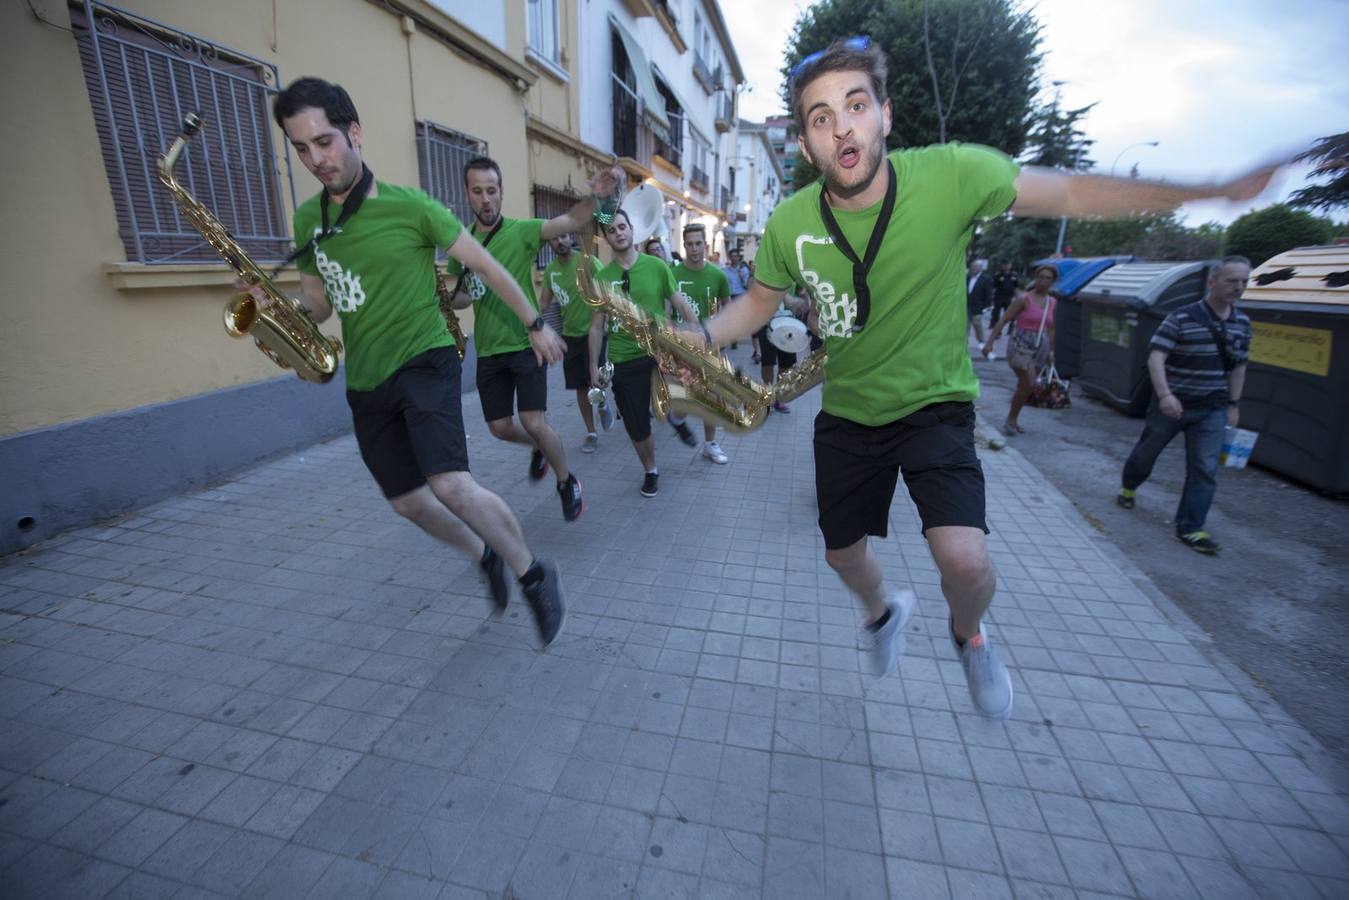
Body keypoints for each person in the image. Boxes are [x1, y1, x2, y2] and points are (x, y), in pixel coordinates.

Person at [691, 37, 1276, 720]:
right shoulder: (791, 222)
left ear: (884, 114)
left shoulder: (952, 174)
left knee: (964, 563)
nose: (840, 125)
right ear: (805, 142)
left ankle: (968, 634)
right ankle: (881, 616)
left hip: (936, 405)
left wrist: (1209, 188)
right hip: (848, 412)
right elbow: (757, 303)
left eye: (854, 105)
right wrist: (697, 337)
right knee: (842, 559)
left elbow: (1072, 188)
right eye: (819, 117)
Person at [268, 78, 569, 645]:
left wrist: (534, 324)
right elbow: (319, 301)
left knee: (451, 484)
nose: (316, 159)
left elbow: (486, 266)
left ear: (354, 132)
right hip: (366, 377)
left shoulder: (411, 208)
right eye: (301, 148)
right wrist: (275, 304)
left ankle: (532, 572)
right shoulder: (310, 220)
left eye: (325, 142)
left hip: (426, 360)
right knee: (407, 501)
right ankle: (484, 555)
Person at [445, 156, 622, 522]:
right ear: (467, 194)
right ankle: (539, 448)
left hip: (528, 344)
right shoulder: (460, 244)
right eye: (477, 191)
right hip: (490, 350)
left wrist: (599, 196)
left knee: (534, 422)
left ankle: (566, 480)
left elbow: (572, 221)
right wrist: (446, 297)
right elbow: (461, 296)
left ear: (501, 192)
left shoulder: (521, 231)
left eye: (492, 190)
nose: (486, 199)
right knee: (499, 428)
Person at [1117, 257, 1252, 554]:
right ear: (1212, 281)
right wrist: (1165, 395)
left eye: (1243, 281)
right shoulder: (1181, 317)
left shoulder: (1242, 323)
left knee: (1204, 468)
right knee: (1146, 454)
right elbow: (1156, 357)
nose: (1238, 287)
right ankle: (1129, 486)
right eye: (1232, 280)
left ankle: (1191, 528)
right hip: (1172, 404)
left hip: (1212, 408)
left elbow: (1239, 366)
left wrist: (1234, 404)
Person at [590, 210, 700, 497]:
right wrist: (594, 367)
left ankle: (676, 418)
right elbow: (596, 327)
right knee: (637, 424)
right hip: (623, 359)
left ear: (631, 229)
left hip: (660, 349)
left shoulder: (656, 266)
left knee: (680, 388)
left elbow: (680, 301)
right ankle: (651, 470)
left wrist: (699, 332)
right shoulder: (602, 278)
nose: (619, 233)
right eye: (611, 230)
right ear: (606, 237)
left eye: (622, 226)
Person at [538, 233, 611, 454]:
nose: (559, 241)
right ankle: (591, 432)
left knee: (595, 380)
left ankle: (602, 403)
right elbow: (544, 301)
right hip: (570, 335)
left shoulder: (587, 262)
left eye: (563, 237)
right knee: (580, 387)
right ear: (549, 243)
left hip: (594, 332)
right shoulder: (551, 270)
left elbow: (607, 291)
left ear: (571, 238)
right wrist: (528, 319)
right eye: (554, 238)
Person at [671, 223, 733, 463]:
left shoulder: (717, 275)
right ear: (684, 245)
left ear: (705, 245)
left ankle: (710, 444)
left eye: (698, 244)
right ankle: (677, 418)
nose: (694, 249)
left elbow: (729, 308)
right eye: (689, 244)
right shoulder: (672, 274)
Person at [983, 263, 1058, 434]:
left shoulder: (1052, 302)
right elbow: (1004, 319)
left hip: (1041, 345)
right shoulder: (1024, 299)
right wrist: (990, 342)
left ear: (1052, 282)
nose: (1043, 281)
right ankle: (1011, 420)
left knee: (1025, 386)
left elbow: (1052, 327)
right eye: (1041, 277)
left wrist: (1051, 351)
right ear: (1035, 278)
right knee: (1029, 383)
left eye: (1048, 278)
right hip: (1021, 344)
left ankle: (1013, 419)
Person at [990, 260, 1019, 357]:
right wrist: (992, 299)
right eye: (1005, 264)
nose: (1007, 266)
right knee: (996, 314)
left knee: (1011, 315)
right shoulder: (998, 275)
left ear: (1011, 265)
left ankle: (1010, 329)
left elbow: (1016, 287)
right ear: (1002, 265)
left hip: (1009, 297)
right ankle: (997, 332)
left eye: (1008, 264)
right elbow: (993, 287)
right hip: (999, 297)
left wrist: (1017, 297)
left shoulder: (1014, 275)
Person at [966, 258, 993, 352]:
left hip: (978, 306)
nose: (974, 269)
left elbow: (989, 292)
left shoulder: (985, 279)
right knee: (966, 325)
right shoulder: (968, 277)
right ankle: (964, 342)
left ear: (981, 268)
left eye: (976, 267)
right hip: (967, 305)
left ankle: (981, 341)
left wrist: (989, 303)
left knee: (977, 324)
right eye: (973, 267)